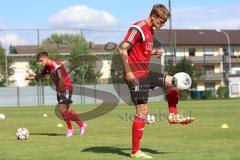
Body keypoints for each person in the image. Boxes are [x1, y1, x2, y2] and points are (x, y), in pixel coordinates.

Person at [119, 4, 193, 159]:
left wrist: (154, 51)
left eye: (164, 22)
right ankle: (135, 152)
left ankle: (173, 115)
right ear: (153, 16)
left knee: (173, 82)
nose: (162, 24)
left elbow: (140, 50)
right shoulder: (137, 28)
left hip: (145, 73)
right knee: (142, 112)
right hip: (136, 75)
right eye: (161, 21)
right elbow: (123, 48)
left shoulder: (150, 30)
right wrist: (129, 72)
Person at [25, 51, 87, 138]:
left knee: (61, 108)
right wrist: (29, 78)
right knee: (66, 111)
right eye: (39, 61)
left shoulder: (56, 65)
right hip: (60, 89)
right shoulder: (47, 68)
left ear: (46, 58)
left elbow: (61, 79)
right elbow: (40, 75)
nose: (40, 63)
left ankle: (70, 129)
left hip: (66, 88)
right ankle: (81, 124)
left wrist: (59, 90)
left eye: (41, 61)